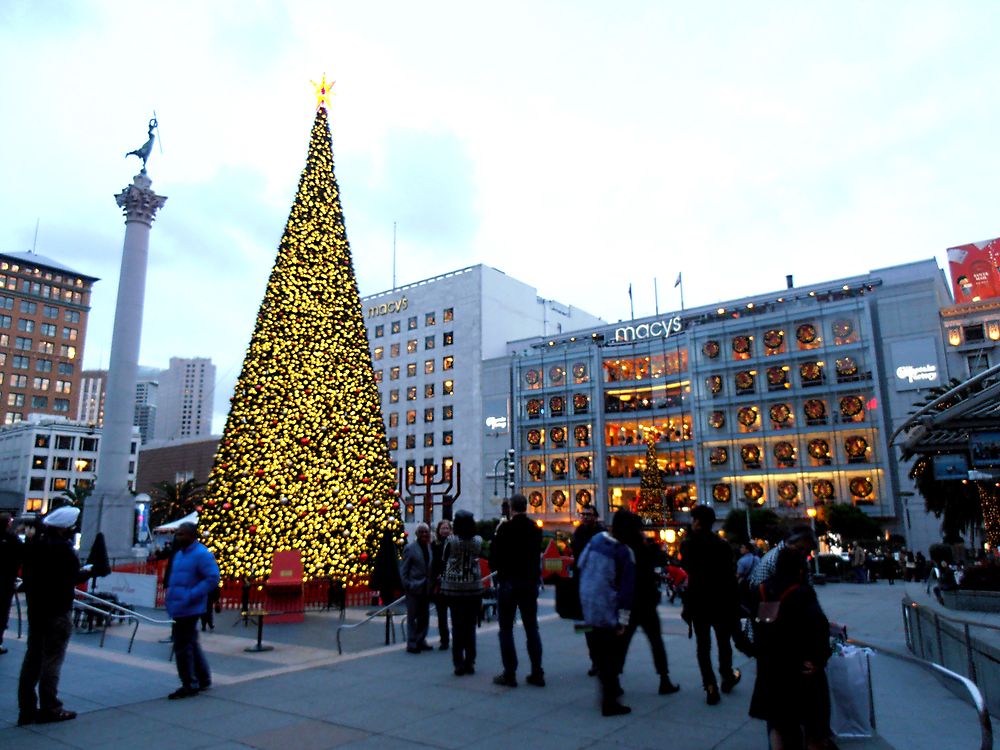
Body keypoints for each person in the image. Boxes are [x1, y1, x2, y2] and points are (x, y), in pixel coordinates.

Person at [749, 546, 836, 750]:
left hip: (772, 667)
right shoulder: (801, 591)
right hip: (799, 668)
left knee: (779, 724)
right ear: (800, 568)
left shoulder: (763, 590)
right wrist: (819, 658)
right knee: (814, 725)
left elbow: (764, 626)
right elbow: (818, 626)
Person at [17, 506, 92, 725]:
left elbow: (28, 575)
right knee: (52, 659)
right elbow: (70, 577)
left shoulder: (33, 546)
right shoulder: (64, 549)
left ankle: (26, 708)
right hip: (57, 609)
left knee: (32, 659)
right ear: (66, 528)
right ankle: (50, 707)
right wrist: (88, 571)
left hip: (36, 609)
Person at [577, 510, 638, 716]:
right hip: (607, 611)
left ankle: (609, 689)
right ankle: (609, 702)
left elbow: (580, 564)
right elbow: (626, 590)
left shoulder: (595, 540)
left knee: (600, 652)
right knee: (611, 656)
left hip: (587, 605)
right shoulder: (625, 552)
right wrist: (623, 621)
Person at [681, 505, 741, 706]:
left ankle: (710, 686)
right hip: (720, 600)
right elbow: (729, 575)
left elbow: (687, 570)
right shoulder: (722, 545)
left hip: (698, 601)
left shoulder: (687, 545)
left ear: (697, 522)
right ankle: (726, 676)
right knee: (724, 642)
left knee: (703, 646)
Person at [489, 493, 544, 688]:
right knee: (531, 628)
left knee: (506, 629)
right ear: (526, 507)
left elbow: (493, 557)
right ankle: (537, 671)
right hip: (529, 584)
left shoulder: (505, 529)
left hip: (508, 584)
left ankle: (510, 673)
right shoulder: (535, 529)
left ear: (511, 508)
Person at [164, 522, 220, 699]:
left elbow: (212, 578)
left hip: (190, 606)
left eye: (182, 534)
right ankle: (203, 678)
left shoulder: (201, 554)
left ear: (191, 535)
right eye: (177, 534)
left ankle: (189, 683)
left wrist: (191, 595)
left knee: (182, 645)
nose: (178, 537)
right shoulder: (179, 555)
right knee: (191, 643)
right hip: (179, 605)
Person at [621, 535, 680, 696]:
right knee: (655, 641)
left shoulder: (623, 549)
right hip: (645, 603)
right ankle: (664, 678)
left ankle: (613, 679)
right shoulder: (641, 550)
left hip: (631, 604)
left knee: (623, 642)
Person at [440, 510, 482, 675]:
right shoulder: (477, 541)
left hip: (454, 587)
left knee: (457, 626)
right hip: (473, 587)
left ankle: (458, 662)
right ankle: (470, 661)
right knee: (470, 627)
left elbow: (444, 558)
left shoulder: (451, 540)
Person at [571, 504, 605, 675]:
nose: (584, 517)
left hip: (598, 584)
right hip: (582, 583)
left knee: (599, 626)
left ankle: (602, 660)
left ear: (595, 516)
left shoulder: (601, 533)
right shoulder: (578, 532)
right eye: (582, 514)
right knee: (586, 627)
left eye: (588, 514)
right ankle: (594, 661)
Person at [399, 523, 434, 654]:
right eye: (422, 532)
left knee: (424, 616)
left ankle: (421, 640)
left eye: (426, 532)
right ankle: (412, 642)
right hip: (414, 587)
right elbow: (404, 569)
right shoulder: (410, 548)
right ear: (417, 534)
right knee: (412, 617)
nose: (424, 534)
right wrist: (407, 584)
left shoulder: (429, 547)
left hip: (426, 588)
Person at [0, 511, 23, 654]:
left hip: (6, 580)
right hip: (5, 581)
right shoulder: (12, 539)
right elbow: (21, 556)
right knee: (2, 612)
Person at [432, 518, 453, 650]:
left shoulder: (454, 544)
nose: (445, 531)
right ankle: (444, 639)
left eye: (447, 528)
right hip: (440, 583)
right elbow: (433, 562)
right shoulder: (435, 545)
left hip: (452, 582)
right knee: (441, 613)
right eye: (443, 528)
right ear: (439, 530)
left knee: (455, 613)